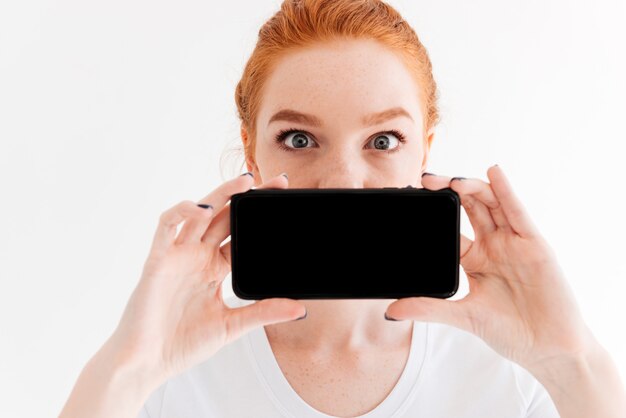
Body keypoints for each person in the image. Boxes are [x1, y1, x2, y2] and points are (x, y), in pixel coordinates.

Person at [58, 0, 626, 417]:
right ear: (250, 153)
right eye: (299, 139)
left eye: (382, 141)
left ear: (426, 150)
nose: (344, 180)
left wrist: (570, 362)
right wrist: (129, 369)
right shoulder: (166, 378)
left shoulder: (517, 381)